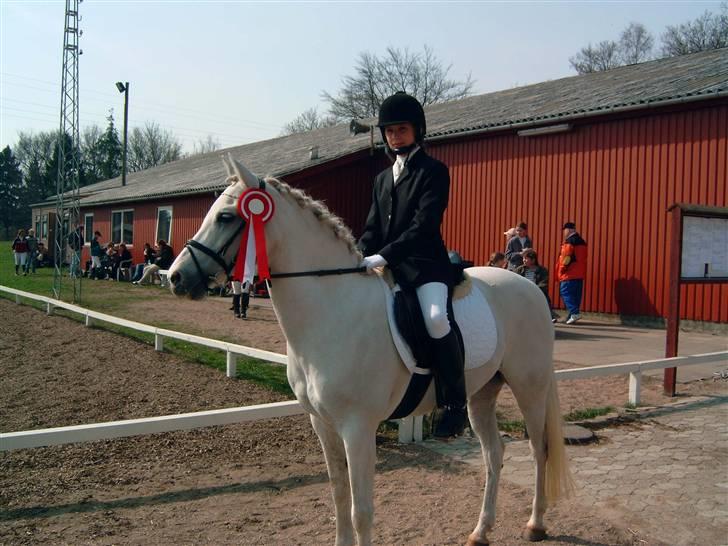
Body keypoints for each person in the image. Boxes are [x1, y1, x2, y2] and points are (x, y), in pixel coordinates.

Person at [357, 91, 466, 439]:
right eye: (389, 131)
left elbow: (424, 226)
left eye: (401, 129)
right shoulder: (381, 179)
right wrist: (357, 254)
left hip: (425, 265)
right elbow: (373, 227)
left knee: (436, 319)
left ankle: (454, 403)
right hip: (389, 266)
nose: (394, 136)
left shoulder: (434, 172)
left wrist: (384, 255)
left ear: (417, 130)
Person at [557, 222, 588, 324]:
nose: (564, 232)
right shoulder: (582, 241)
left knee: (565, 292)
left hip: (569, 273)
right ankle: (572, 316)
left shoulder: (569, 241)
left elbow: (566, 257)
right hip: (579, 273)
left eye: (564, 230)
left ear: (569, 230)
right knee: (575, 296)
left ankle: (574, 313)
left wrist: (562, 269)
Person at [516, 249, 558, 322]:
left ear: (533, 260)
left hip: (537, 291)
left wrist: (535, 289)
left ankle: (550, 317)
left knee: (545, 299)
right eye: (523, 258)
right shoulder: (520, 269)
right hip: (523, 292)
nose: (524, 260)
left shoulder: (542, 270)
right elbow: (515, 280)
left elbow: (544, 283)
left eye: (526, 258)